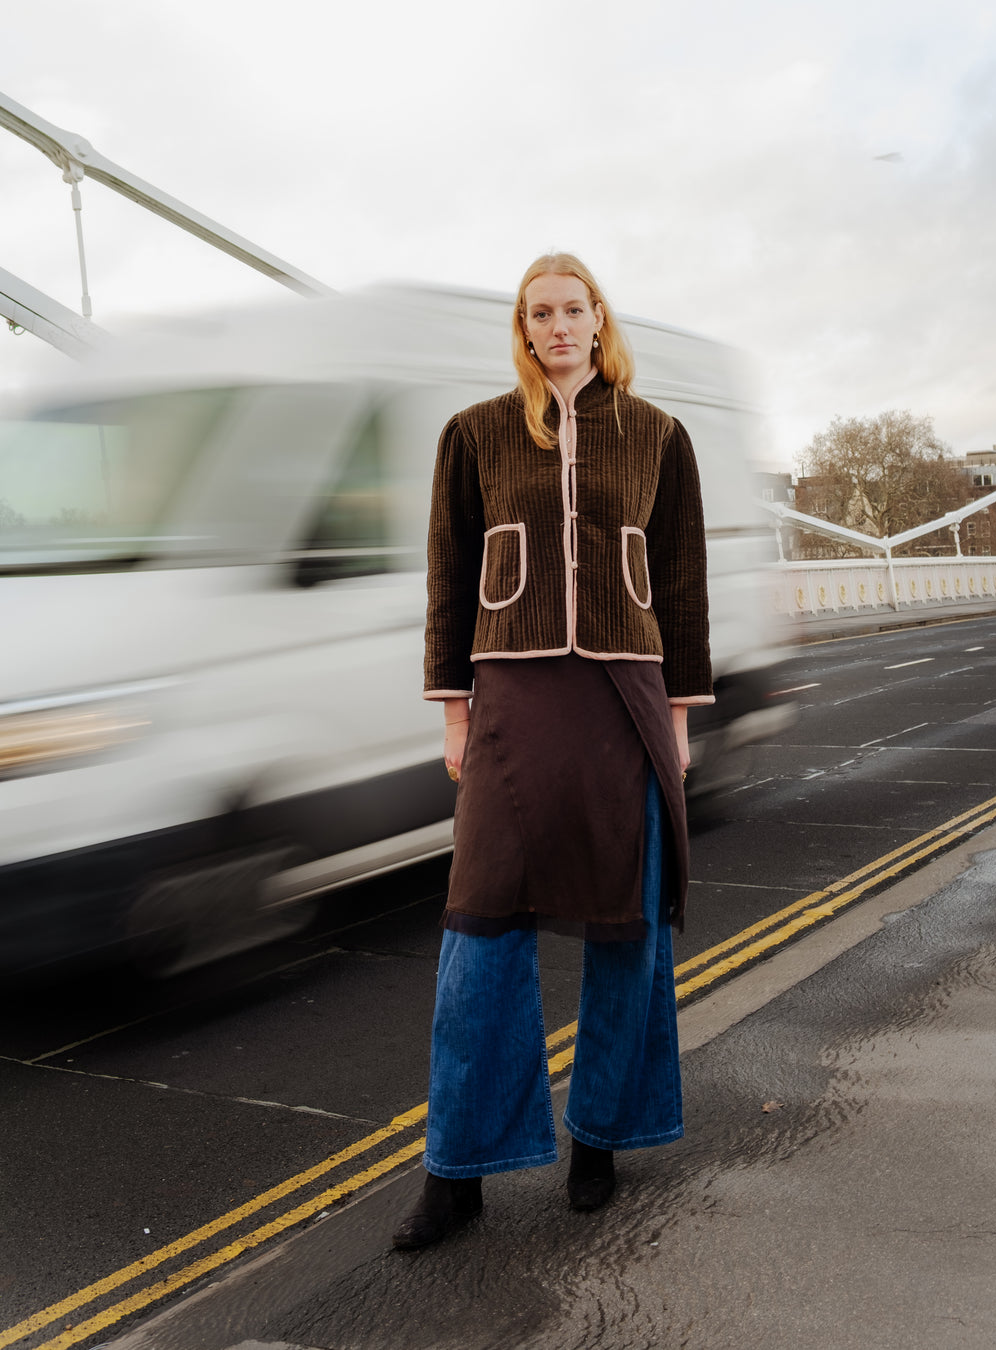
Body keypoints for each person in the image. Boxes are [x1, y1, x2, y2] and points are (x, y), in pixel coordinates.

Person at [392, 253, 714, 1251]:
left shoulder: (657, 434)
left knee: (628, 930)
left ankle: (601, 1141)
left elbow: (684, 584)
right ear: (524, 328)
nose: (560, 325)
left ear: (598, 319)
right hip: (511, 695)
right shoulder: (476, 433)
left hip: (626, 693)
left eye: (576, 309)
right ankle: (459, 1170)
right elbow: (448, 572)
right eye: (542, 312)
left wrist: (679, 722)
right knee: (479, 931)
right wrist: (453, 712)